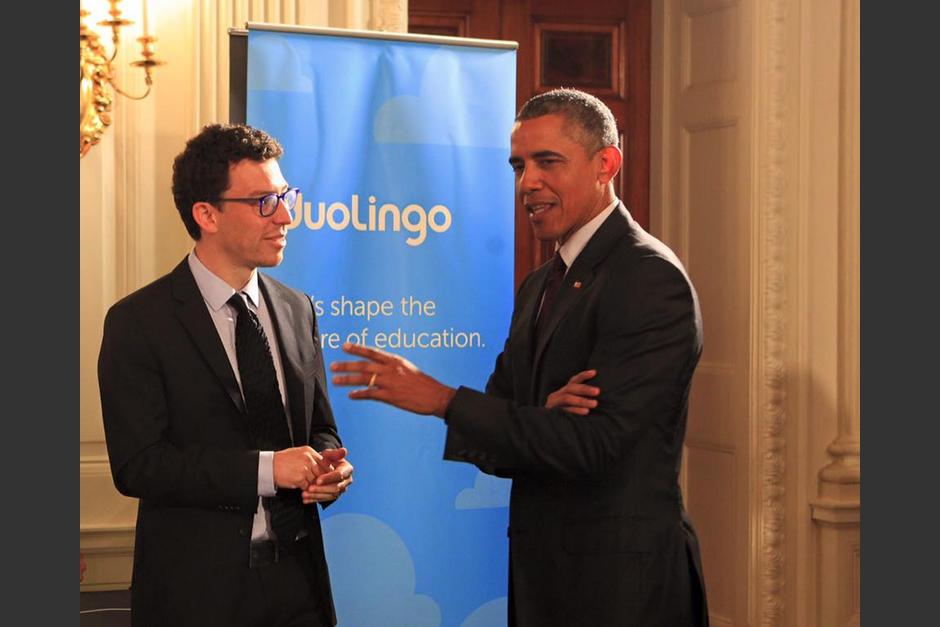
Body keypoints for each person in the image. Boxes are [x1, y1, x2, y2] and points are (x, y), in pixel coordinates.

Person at [331, 89, 708, 626]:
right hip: (545, 581)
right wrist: (538, 418)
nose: (527, 182)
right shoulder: (538, 285)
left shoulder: (648, 277)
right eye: (518, 165)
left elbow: (597, 446)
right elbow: (500, 443)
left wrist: (442, 400)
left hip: (623, 589)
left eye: (547, 162)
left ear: (607, 164)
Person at [98, 123, 353, 627]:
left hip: (299, 584)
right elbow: (140, 466)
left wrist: (327, 466)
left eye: (285, 196)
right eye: (263, 202)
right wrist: (268, 470)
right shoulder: (138, 322)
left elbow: (319, 425)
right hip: (198, 594)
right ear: (206, 214)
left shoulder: (296, 308)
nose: (284, 216)